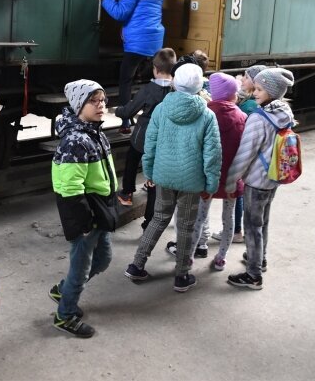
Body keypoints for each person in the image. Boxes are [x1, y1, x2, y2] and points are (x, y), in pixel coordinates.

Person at [124, 63, 221, 292]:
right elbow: (213, 155)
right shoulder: (207, 115)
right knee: (187, 227)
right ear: (200, 86)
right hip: (191, 181)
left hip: (164, 176)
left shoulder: (160, 110)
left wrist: (149, 172)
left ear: (175, 83)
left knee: (158, 219)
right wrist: (211, 183)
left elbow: (151, 145)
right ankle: (182, 276)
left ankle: (136, 265)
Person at [50, 80, 115, 338]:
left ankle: (61, 290)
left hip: (99, 208)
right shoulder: (76, 141)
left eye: (102, 100)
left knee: (103, 258)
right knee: (81, 267)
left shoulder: (92, 131)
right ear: (79, 104)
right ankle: (64, 316)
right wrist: (85, 222)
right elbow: (69, 186)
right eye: (94, 101)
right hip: (87, 214)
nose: (101, 106)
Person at [225, 68, 296, 290]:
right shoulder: (284, 112)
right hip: (274, 176)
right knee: (262, 221)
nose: (255, 93)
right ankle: (260, 258)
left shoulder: (259, 117)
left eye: (259, 89)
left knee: (252, 225)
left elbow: (245, 153)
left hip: (256, 181)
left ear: (272, 91)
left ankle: (253, 275)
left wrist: (230, 180)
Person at [98, 0, 167, 133]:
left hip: (137, 43)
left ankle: (125, 122)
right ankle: (153, 117)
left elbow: (120, 13)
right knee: (153, 79)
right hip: (155, 42)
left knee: (125, 80)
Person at [188, 73, 247, 271]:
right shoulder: (242, 117)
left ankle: (189, 256)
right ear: (232, 96)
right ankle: (221, 258)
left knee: (200, 218)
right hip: (232, 178)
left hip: (207, 178)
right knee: (228, 218)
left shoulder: (205, 114)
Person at [114, 48, 176, 231]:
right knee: (153, 179)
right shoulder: (176, 89)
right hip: (164, 139)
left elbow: (128, 111)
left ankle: (127, 193)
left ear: (155, 69)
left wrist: (117, 110)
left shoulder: (149, 90)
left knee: (132, 159)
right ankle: (149, 221)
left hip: (143, 136)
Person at [212, 64, 266, 244]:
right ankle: (235, 231)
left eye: (246, 76)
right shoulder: (248, 102)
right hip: (241, 161)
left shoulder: (248, 106)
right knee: (236, 194)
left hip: (241, 161)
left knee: (236, 194)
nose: (242, 79)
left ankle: (236, 231)